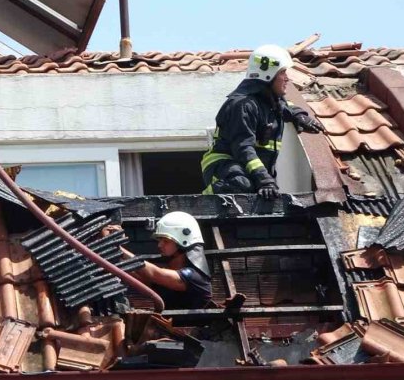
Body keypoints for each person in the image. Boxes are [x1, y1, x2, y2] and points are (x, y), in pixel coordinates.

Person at [201, 44, 324, 199]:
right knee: (242, 184)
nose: (287, 78)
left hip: (246, 167)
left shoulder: (269, 101)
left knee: (263, 192)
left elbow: (285, 107)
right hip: (223, 165)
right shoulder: (243, 105)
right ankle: (204, 200)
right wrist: (264, 180)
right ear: (268, 75)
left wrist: (298, 115)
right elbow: (243, 148)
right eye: (282, 72)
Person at [104, 211, 212, 309]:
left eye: (166, 241)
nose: (159, 245)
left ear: (183, 241)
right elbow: (137, 276)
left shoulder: (194, 277)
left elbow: (155, 274)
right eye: (159, 240)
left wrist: (118, 249)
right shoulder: (168, 278)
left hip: (191, 330)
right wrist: (114, 248)